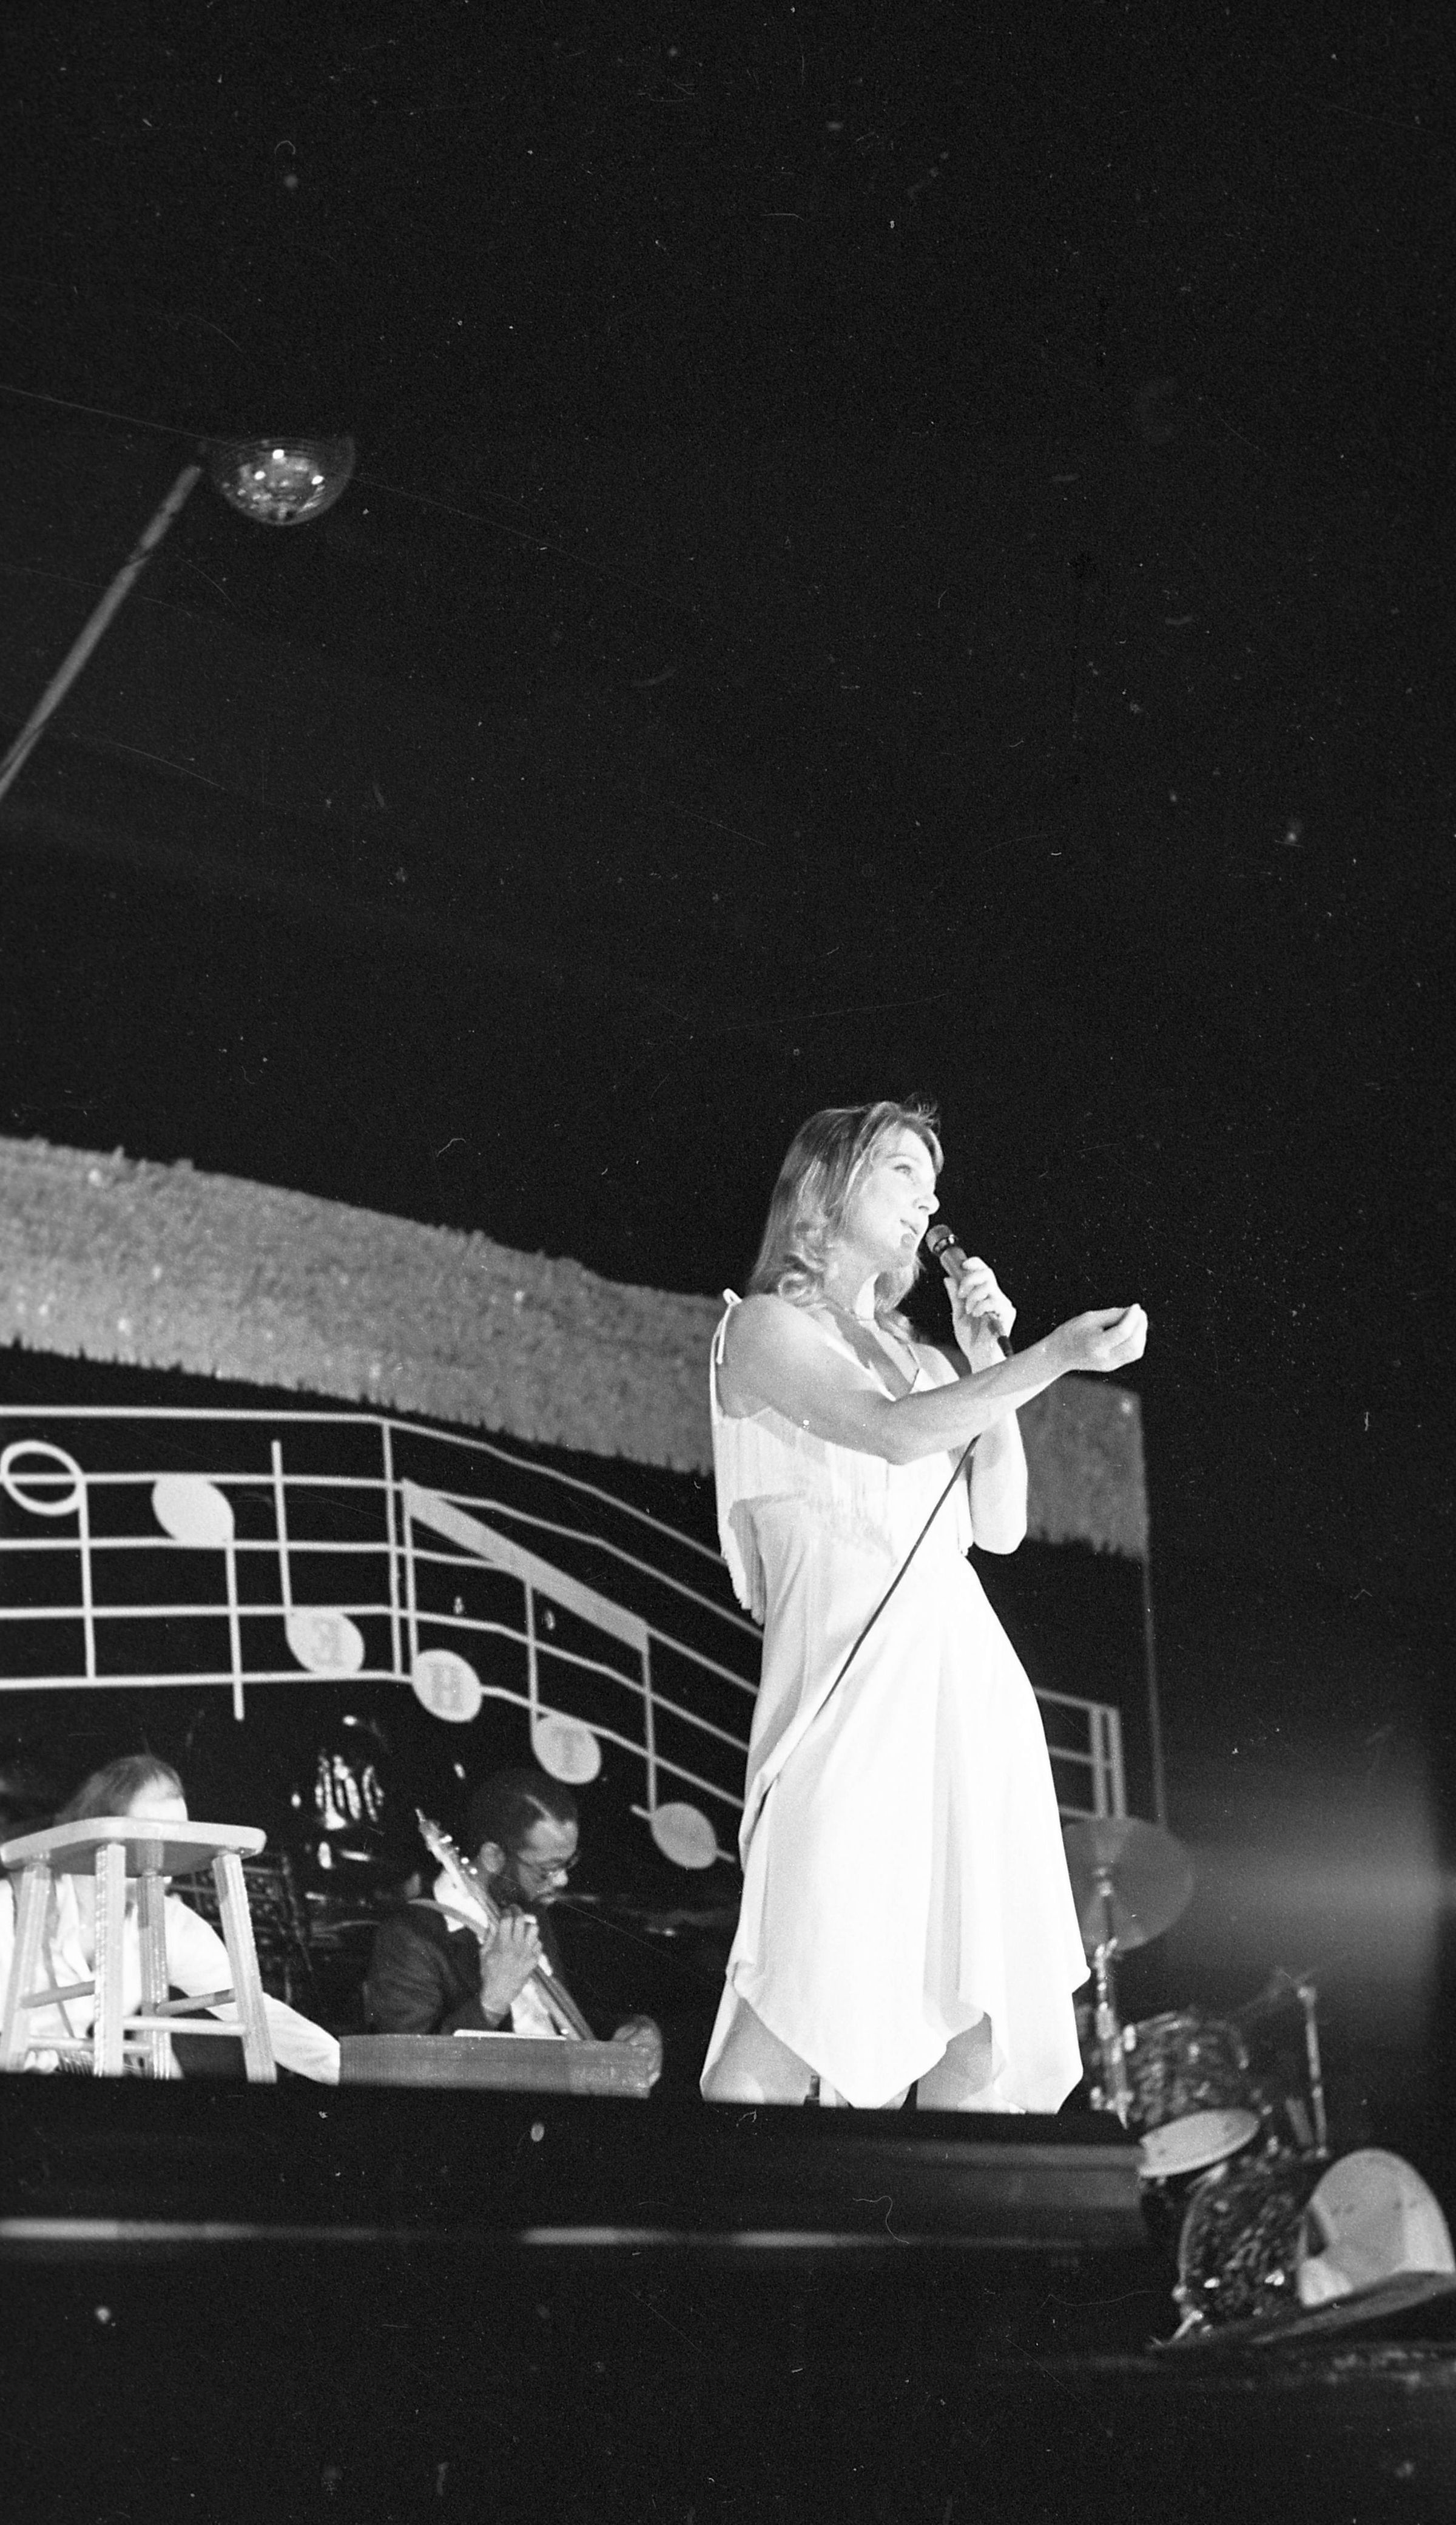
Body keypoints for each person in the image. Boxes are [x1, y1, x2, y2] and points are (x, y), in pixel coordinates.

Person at [699, 1099, 1148, 2113]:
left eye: (933, 1182)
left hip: (962, 1687)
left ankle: (942, 2219)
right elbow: (891, 1433)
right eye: (904, 1169)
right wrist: (1053, 1359)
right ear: (826, 1185)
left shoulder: (932, 1363)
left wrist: (991, 1359)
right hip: (848, 1698)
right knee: (798, 1999)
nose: (928, 1199)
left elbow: (1000, 1522)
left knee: (978, 2026)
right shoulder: (763, 1328)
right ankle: (724, 2210)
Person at [0, 1754, 340, 2081]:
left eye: (176, 1842)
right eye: (147, 1839)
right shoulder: (11, 1905)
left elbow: (255, 2011)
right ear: (95, 1835)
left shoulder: (167, 1921)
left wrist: (351, 2070)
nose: (165, 1863)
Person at [362, 1767, 662, 2077]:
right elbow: (406, 2073)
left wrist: (632, 2029)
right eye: (548, 1869)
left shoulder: (531, 1910)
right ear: (493, 1856)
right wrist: (492, 2002)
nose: (563, 1879)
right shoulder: (409, 1937)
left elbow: (549, 2024)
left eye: (568, 1863)